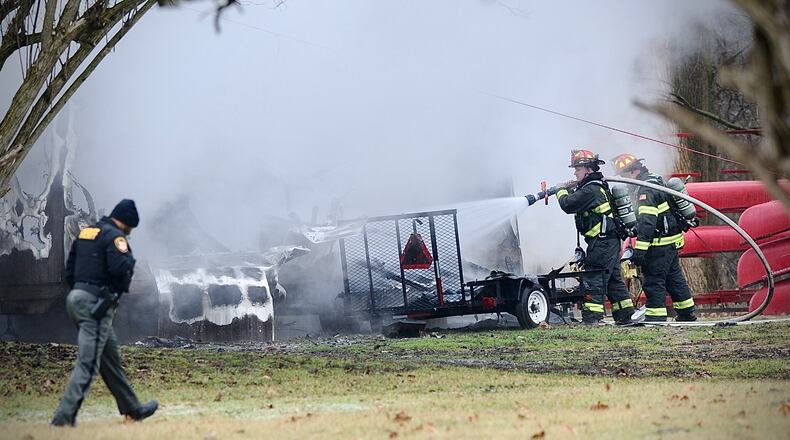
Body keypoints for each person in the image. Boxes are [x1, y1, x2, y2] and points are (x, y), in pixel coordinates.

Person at [51, 199, 158, 426]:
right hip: (96, 305)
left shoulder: (87, 233)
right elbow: (120, 268)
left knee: (110, 360)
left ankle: (132, 408)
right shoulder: (115, 238)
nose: (129, 233)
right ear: (126, 223)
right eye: (130, 229)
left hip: (76, 298)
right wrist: (129, 261)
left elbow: (69, 269)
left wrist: (81, 291)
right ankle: (63, 418)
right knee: (87, 364)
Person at [612, 154, 697, 322]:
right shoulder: (655, 180)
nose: (625, 181)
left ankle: (655, 317)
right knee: (674, 280)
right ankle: (686, 314)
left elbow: (647, 223)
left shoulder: (645, 190)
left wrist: (640, 251)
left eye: (625, 175)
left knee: (653, 281)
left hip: (658, 245)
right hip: (670, 243)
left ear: (634, 171)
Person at [555, 150, 635, 324]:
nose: (575, 173)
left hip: (602, 242)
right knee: (612, 279)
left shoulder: (591, 190)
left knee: (594, 277)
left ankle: (592, 318)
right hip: (607, 241)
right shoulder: (595, 187)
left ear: (588, 170)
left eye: (578, 169)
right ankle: (625, 314)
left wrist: (560, 190)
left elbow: (567, 204)